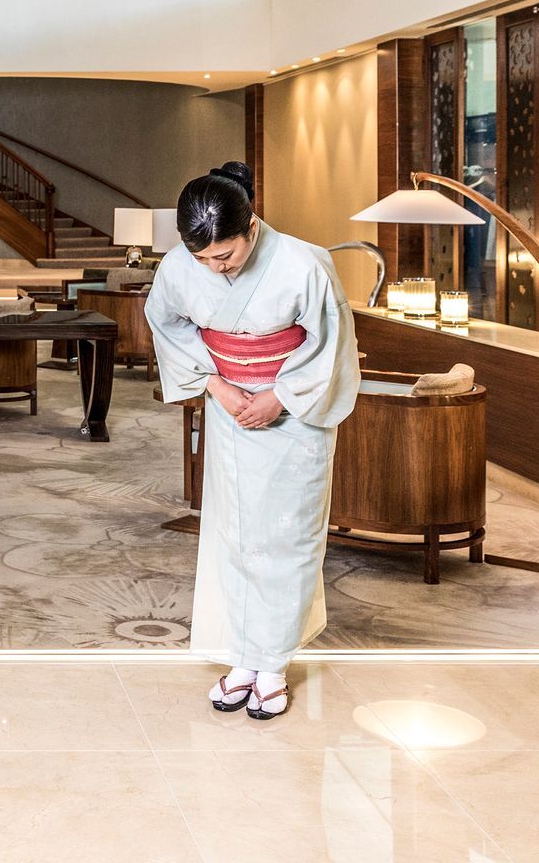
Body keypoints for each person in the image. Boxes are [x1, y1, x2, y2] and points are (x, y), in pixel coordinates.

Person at [144, 161, 359, 719]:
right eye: (203, 260)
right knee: (233, 531)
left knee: (287, 538)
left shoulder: (305, 263)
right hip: (230, 408)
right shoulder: (178, 267)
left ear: (253, 228)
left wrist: (279, 397)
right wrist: (215, 384)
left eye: (226, 256)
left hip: (293, 415)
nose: (214, 269)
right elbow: (166, 321)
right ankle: (242, 656)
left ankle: (274, 664)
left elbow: (330, 341)